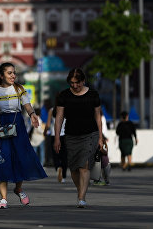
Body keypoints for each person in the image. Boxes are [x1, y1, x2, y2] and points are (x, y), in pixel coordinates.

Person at [0, 63, 47, 209]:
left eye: (14, 73)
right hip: (1, 125)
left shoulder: (19, 88)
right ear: (1, 75)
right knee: (1, 160)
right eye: (9, 73)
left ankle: (18, 189)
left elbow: (27, 105)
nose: (13, 76)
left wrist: (33, 115)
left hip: (18, 126)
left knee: (21, 158)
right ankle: (3, 198)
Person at [54, 68, 103, 208]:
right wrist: (57, 137)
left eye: (78, 83)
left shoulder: (93, 95)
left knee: (84, 166)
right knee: (74, 167)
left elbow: (98, 116)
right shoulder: (64, 95)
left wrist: (100, 137)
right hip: (71, 135)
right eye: (72, 83)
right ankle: (80, 190)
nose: (75, 86)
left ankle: (82, 197)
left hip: (90, 134)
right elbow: (59, 117)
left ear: (83, 81)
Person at [44, 106, 68, 183]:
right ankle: (63, 177)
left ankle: (58, 167)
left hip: (54, 135)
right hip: (64, 135)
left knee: (55, 155)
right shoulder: (66, 109)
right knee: (64, 156)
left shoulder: (51, 110)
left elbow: (48, 124)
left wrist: (45, 132)